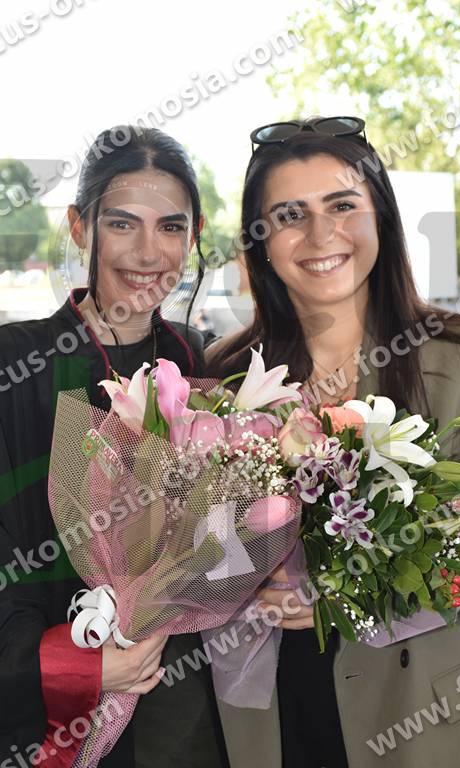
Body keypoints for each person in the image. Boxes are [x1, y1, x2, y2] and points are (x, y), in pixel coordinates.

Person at [206, 116, 460, 768]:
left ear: (382, 219)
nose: (321, 235)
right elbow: (193, 546)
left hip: (427, 713)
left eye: (343, 206)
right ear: (260, 241)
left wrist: (356, 592)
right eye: (290, 215)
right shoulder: (224, 378)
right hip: (280, 709)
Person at [0, 125, 228, 767]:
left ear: (194, 233)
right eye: (123, 224)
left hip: (189, 703)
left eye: (171, 227)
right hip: (55, 708)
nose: (148, 252)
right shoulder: (18, 364)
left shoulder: (203, 364)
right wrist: (76, 666)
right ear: (81, 227)